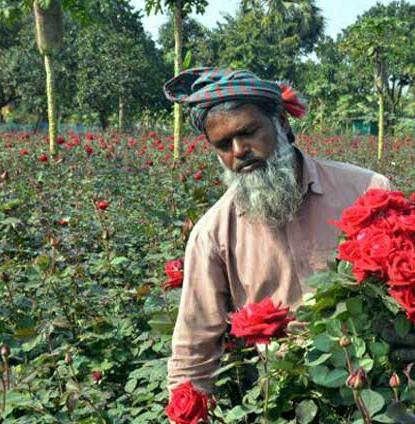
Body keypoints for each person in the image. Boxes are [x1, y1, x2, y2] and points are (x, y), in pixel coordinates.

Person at [163, 67, 395, 395]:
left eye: (248, 132)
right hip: (285, 395)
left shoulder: (367, 191)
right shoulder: (213, 234)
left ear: (282, 125)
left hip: (379, 382)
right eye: (224, 144)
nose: (239, 150)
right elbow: (193, 350)